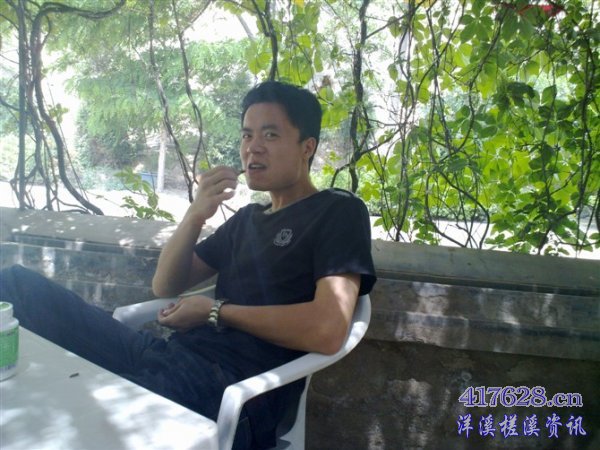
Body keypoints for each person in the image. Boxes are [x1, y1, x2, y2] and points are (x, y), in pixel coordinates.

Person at [0, 81, 376, 449]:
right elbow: (165, 284)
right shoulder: (247, 220)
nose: (253, 147)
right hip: (164, 354)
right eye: (246, 135)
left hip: (226, 388)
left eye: (271, 135)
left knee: (72, 420)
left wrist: (215, 311)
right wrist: (196, 214)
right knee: (16, 286)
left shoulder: (337, 212)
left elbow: (327, 330)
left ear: (307, 147)